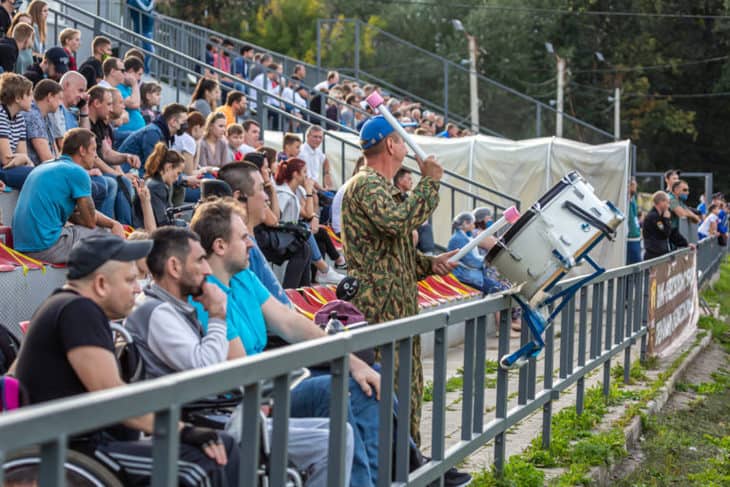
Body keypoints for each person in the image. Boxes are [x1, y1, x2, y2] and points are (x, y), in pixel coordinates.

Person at [13, 233, 240, 486]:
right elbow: (113, 397)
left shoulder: (63, 306)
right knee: (198, 465)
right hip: (75, 450)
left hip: (82, 443)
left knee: (224, 444)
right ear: (101, 284)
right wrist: (184, 431)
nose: (137, 288)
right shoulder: (78, 311)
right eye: (130, 280)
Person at [341, 115, 458, 446]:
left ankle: (409, 458)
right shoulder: (366, 184)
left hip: (397, 306)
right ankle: (395, 464)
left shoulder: (381, 188)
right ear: (391, 145)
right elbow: (396, 223)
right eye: (402, 140)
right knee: (390, 392)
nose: (407, 147)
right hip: (379, 311)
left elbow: (391, 251)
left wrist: (428, 264)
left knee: (406, 388)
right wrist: (430, 182)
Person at [12, 128, 125, 263]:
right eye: (93, 149)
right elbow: (90, 221)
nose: (96, 156)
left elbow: (74, 215)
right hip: (45, 248)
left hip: (20, 247)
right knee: (105, 234)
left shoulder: (44, 166)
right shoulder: (77, 172)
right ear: (82, 150)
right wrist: (113, 224)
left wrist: (112, 223)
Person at [274, 157, 344, 285]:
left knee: (317, 239)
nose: (307, 176)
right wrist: (309, 193)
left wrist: (311, 196)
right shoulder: (283, 192)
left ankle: (314, 280)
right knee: (305, 234)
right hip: (285, 234)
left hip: (294, 232)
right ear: (296, 174)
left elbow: (309, 213)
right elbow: (304, 214)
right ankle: (325, 269)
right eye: (304, 172)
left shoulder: (297, 190)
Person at [118, 102, 188, 174]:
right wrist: (184, 180)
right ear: (173, 122)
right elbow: (154, 166)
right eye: (184, 122)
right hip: (128, 174)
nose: (186, 125)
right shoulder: (152, 133)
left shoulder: (167, 137)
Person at [135, 143, 184, 228]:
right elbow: (162, 223)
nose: (177, 179)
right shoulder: (157, 187)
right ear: (168, 167)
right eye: (178, 173)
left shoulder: (153, 182)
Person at [0, 72, 34, 190]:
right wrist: (24, 159)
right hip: (2, 170)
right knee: (38, 176)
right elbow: (6, 160)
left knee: (44, 174)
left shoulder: (19, 117)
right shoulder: (1, 114)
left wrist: (24, 158)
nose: (32, 98)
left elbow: (22, 154)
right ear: (18, 98)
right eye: (29, 94)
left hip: (10, 169)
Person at [21, 78, 61, 165]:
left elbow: (55, 153)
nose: (60, 103)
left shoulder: (45, 116)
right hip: (35, 171)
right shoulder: (32, 115)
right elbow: (46, 158)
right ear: (50, 96)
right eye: (59, 98)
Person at [643, 191, 692, 260]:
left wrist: (686, 244)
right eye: (667, 202)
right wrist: (666, 220)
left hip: (661, 254)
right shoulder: (653, 217)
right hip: (654, 256)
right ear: (661, 202)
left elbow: (672, 232)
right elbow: (665, 233)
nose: (668, 206)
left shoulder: (661, 216)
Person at [115, 56, 145, 142]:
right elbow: (134, 104)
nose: (139, 79)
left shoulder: (128, 88)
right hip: (125, 136)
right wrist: (135, 84)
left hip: (134, 134)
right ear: (131, 71)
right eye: (139, 74)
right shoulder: (118, 87)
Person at [299, 125, 333, 190]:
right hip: (304, 188)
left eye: (320, 137)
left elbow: (325, 160)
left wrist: (327, 174)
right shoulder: (302, 153)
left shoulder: (317, 150)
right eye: (315, 137)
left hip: (312, 187)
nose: (318, 140)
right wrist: (321, 189)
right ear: (307, 136)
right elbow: (308, 178)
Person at [627, 177, 642, 264]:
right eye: (632, 185)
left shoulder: (634, 200)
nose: (634, 187)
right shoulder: (625, 201)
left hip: (636, 237)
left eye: (635, 185)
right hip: (630, 238)